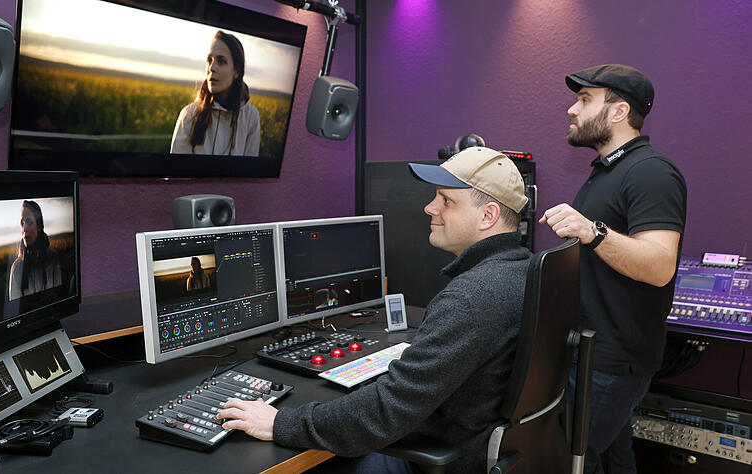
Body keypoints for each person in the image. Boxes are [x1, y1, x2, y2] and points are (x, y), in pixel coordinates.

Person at [217, 147, 532, 474]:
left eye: (446, 201)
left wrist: (282, 422)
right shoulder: (524, 270)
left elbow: (385, 412)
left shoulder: (472, 297)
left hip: (441, 458)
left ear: (487, 216)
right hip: (480, 447)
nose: (429, 207)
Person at [539, 64, 687, 473]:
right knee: (610, 458)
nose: (572, 109)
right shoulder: (607, 170)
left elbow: (659, 266)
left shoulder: (651, 172)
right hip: (589, 352)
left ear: (619, 112)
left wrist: (592, 231)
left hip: (611, 360)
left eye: (585, 100)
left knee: (572, 459)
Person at [170, 30, 260, 156]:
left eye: (221, 61)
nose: (212, 68)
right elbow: (177, 171)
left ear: (236, 71)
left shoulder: (251, 117)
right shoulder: (189, 115)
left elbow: (248, 172)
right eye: (209, 60)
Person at [9, 200, 63, 300]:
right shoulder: (17, 268)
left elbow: (58, 295)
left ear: (38, 226)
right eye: (22, 223)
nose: (24, 228)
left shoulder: (52, 256)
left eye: (29, 222)